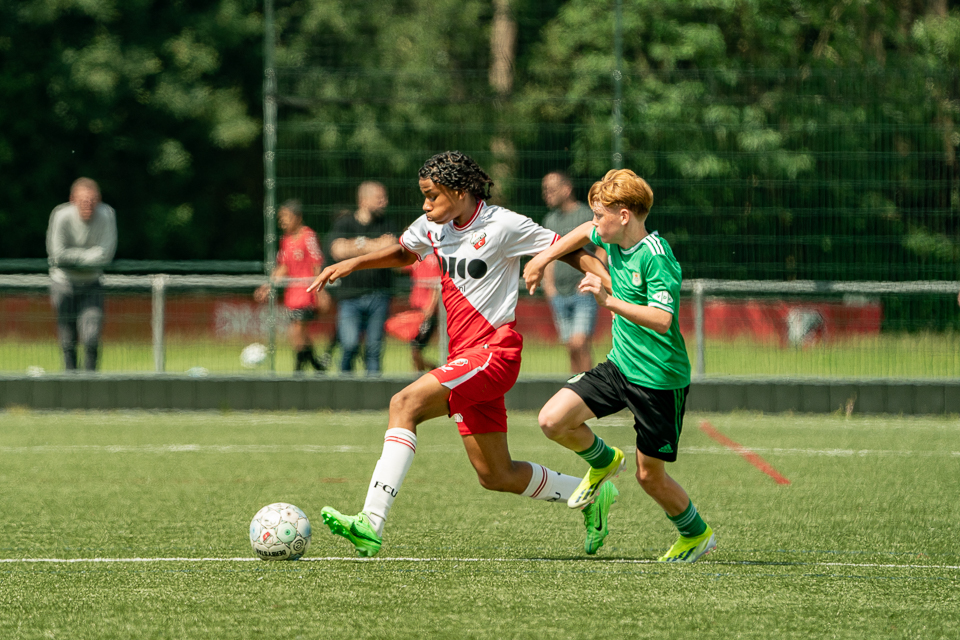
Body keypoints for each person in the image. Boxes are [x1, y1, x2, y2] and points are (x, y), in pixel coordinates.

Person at [307, 151, 615, 557]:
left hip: (494, 353)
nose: (424, 205)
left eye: (431, 196)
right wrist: (353, 264)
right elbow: (405, 251)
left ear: (459, 191)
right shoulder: (432, 226)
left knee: (404, 403)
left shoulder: (502, 224)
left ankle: (370, 521)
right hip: (466, 360)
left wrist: (604, 276)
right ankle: (590, 495)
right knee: (496, 474)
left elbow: (565, 248)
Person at [524, 168, 716, 563]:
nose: (594, 224)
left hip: (659, 381)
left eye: (599, 216)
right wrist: (542, 259)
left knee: (650, 478)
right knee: (552, 420)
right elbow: (577, 236)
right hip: (619, 368)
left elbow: (661, 319)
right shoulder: (610, 236)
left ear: (624, 215)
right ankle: (604, 460)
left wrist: (608, 302)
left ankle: (696, 534)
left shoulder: (657, 258)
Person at [326, 182, 398, 376]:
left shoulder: (388, 223)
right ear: (363, 200)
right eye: (379, 198)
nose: (385, 202)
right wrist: (374, 245)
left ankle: (372, 395)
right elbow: (337, 250)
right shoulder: (344, 223)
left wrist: (357, 245)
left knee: (374, 349)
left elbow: (392, 248)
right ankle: (345, 388)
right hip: (349, 297)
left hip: (379, 295)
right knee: (349, 344)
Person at [46, 177, 117, 371]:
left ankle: (90, 384)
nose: (88, 205)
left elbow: (105, 255)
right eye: (83, 201)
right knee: (67, 340)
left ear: (99, 200)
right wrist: (88, 257)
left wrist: (74, 258)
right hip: (63, 283)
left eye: (92, 201)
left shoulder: (107, 215)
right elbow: (56, 254)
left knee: (92, 337)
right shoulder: (60, 216)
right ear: (72, 200)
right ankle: (70, 384)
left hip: (92, 284)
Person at [254, 199, 332, 373]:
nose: (282, 221)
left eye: (286, 217)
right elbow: (283, 266)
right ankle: (317, 366)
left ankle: (298, 371)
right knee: (300, 334)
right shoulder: (286, 240)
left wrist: (321, 291)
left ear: (298, 218)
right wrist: (269, 286)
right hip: (293, 296)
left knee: (296, 332)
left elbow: (316, 264)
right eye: (281, 217)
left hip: (307, 293)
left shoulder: (308, 236)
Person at [541, 171, 605, 373]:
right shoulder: (550, 220)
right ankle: (576, 390)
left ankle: (590, 390)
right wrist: (549, 286)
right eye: (544, 190)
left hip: (582, 292)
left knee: (580, 343)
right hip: (559, 294)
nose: (546, 194)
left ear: (566, 189)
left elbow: (603, 247)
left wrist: (594, 276)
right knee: (570, 346)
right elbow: (548, 254)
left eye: (551, 189)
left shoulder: (585, 215)